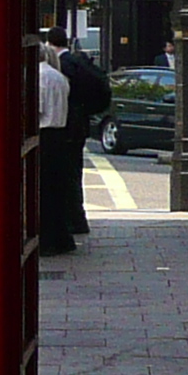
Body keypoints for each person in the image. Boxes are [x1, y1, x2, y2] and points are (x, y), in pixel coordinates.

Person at [58, 30, 113, 237]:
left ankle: (72, 219)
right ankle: (77, 218)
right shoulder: (80, 64)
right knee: (74, 173)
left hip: (65, 126)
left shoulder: (63, 66)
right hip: (79, 125)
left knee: (65, 174)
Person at [35, 43, 80, 254]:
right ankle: (62, 237)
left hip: (44, 135)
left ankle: (48, 239)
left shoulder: (39, 77)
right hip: (60, 135)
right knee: (56, 190)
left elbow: (38, 109)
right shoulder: (59, 76)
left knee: (43, 191)